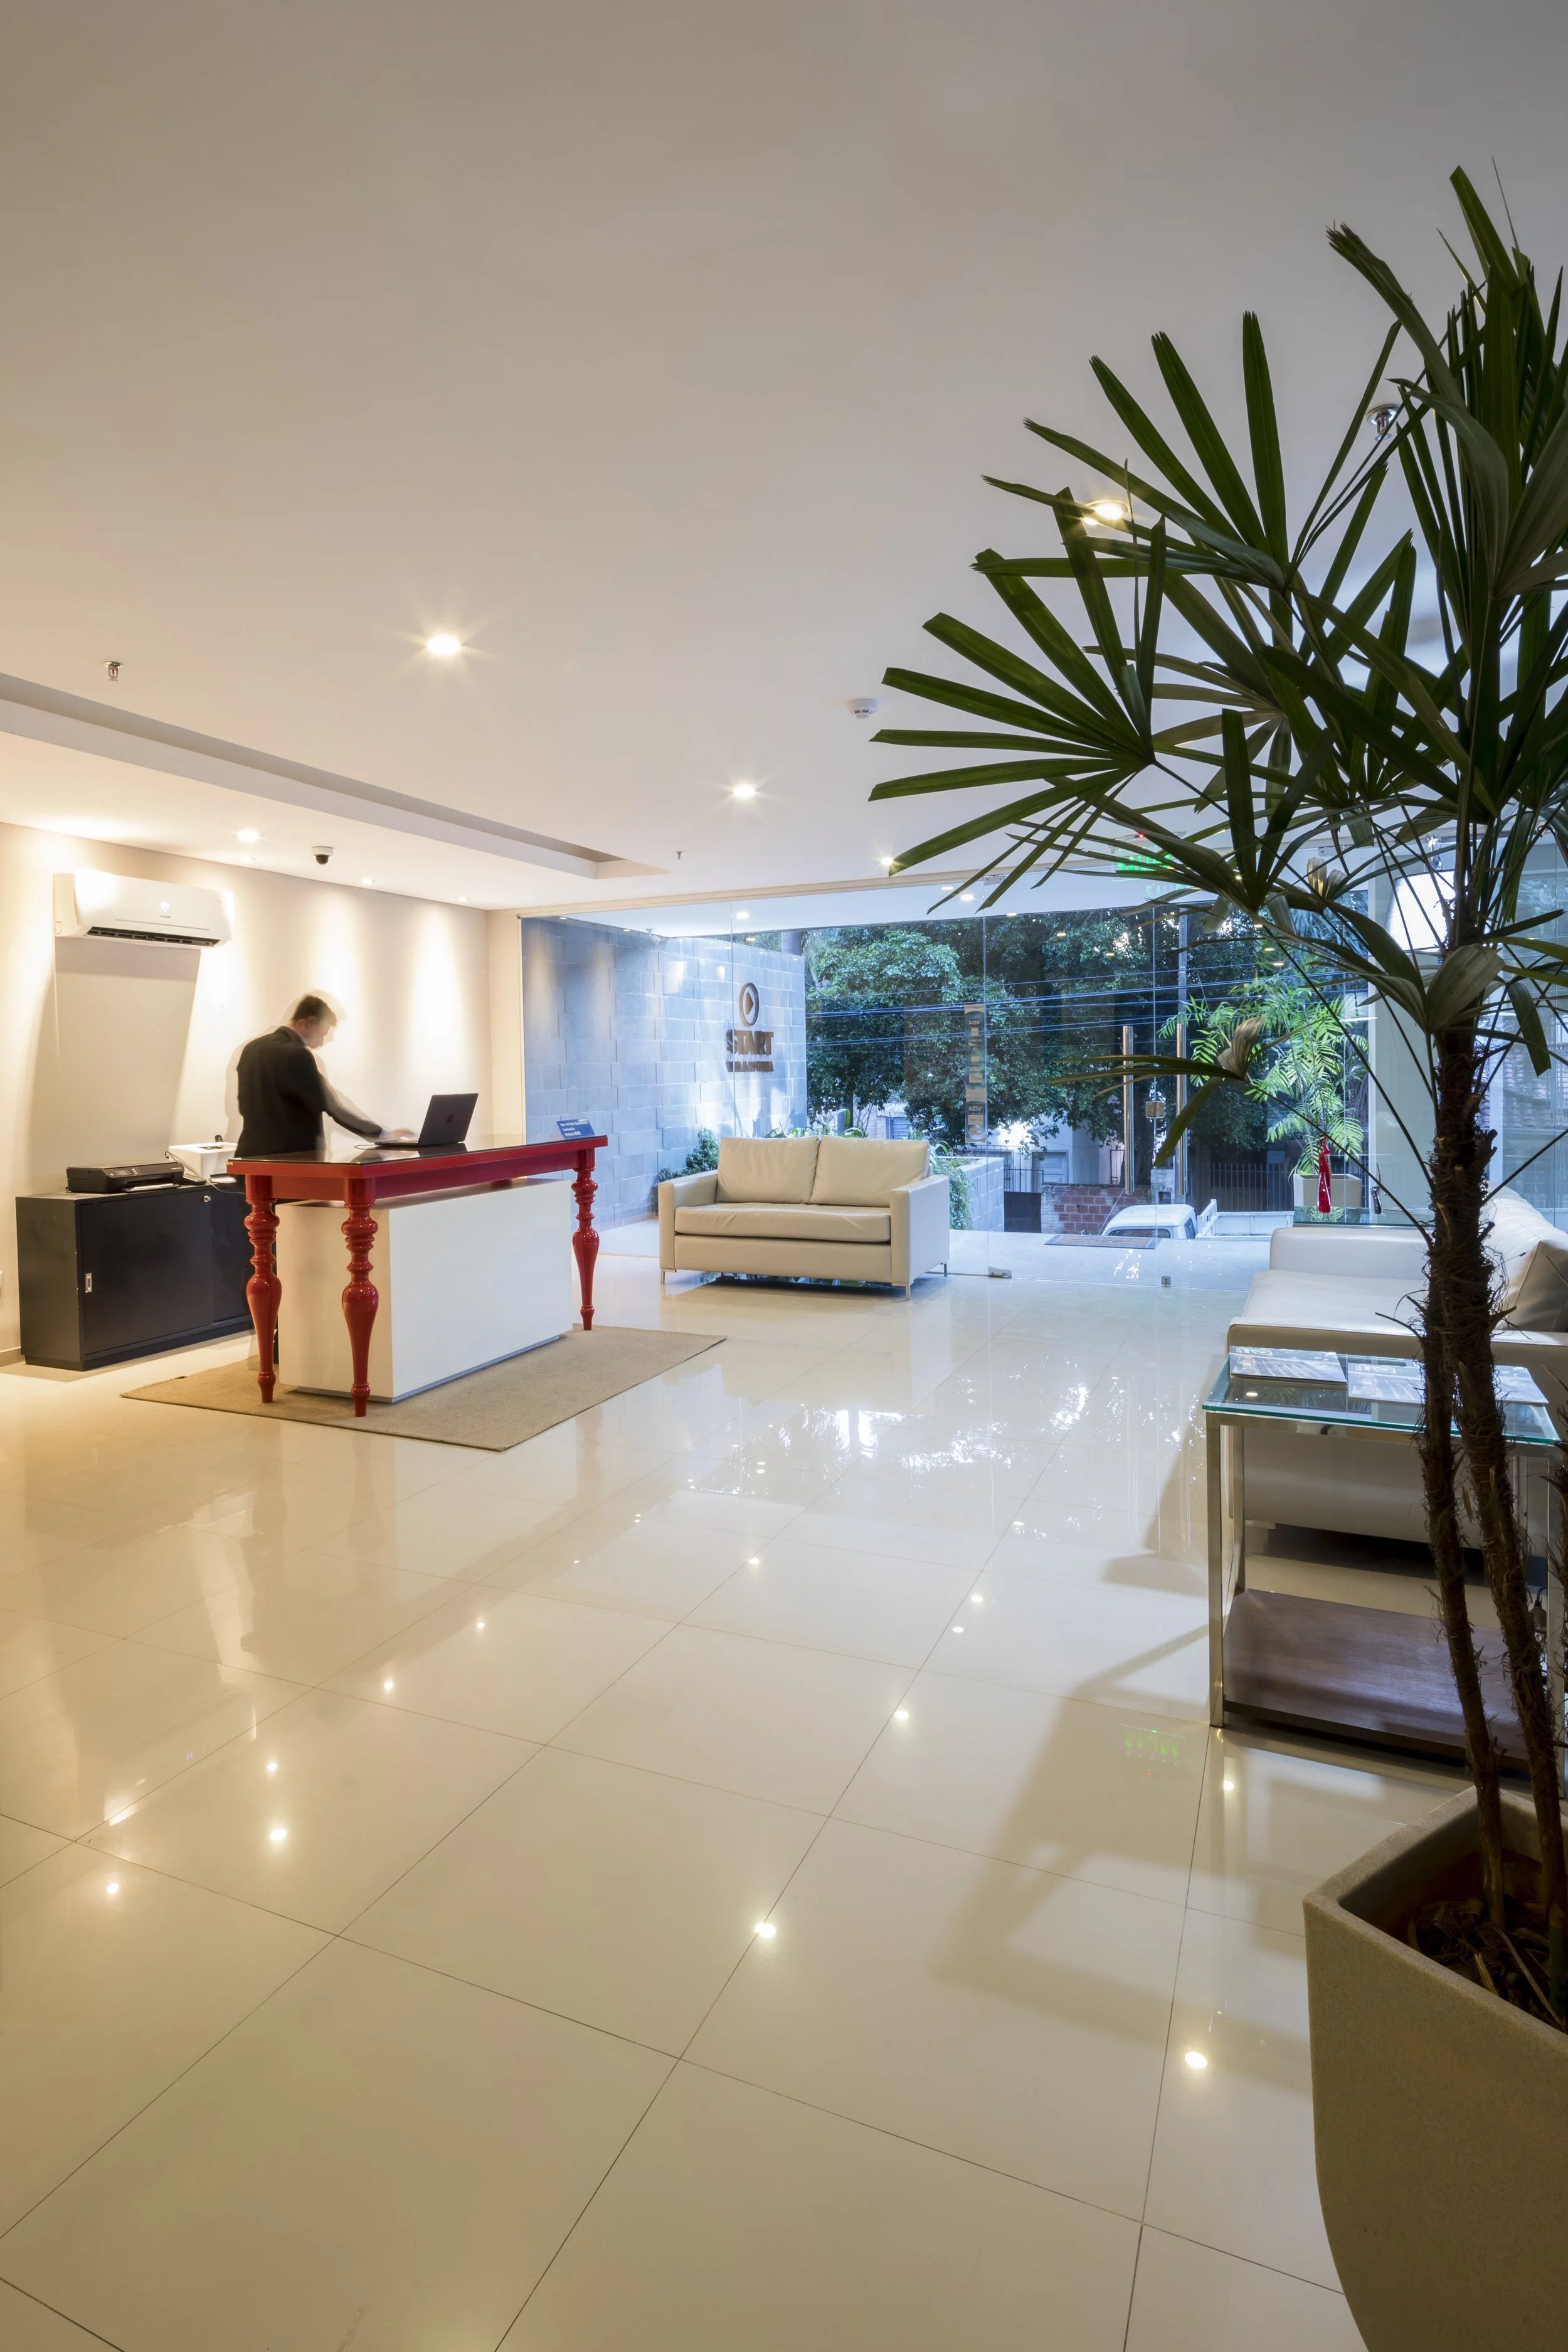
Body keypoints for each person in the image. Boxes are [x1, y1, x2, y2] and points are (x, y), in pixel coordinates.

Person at [234, 995, 415, 1158]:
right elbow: (331, 1106)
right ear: (308, 1022)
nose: (320, 1043)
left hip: (249, 1157)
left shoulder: (251, 1049)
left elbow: (244, 1104)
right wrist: (384, 1136)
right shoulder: (297, 1055)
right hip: (288, 1162)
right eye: (322, 1034)